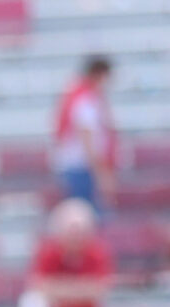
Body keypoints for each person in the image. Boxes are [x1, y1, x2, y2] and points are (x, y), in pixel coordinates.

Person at [50, 54, 114, 212]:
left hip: (79, 165)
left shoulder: (80, 96)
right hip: (82, 167)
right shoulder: (86, 100)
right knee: (86, 214)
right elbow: (87, 139)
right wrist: (101, 172)